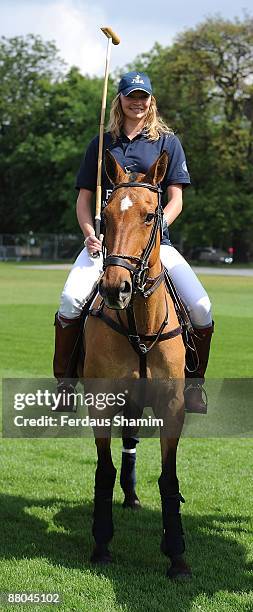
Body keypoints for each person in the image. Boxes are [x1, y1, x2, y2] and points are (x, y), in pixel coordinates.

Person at [53, 71, 214, 502]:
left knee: (201, 307)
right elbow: (85, 198)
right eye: (130, 97)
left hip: (154, 246)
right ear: (120, 99)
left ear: (151, 101)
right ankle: (66, 383)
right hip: (106, 246)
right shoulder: (101, 145)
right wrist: (89, 232)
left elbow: (176, 196)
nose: (137, 103)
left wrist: (160, 225)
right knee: (70, 301)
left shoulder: (167, 143)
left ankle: (193, 385)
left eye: (143, 97)